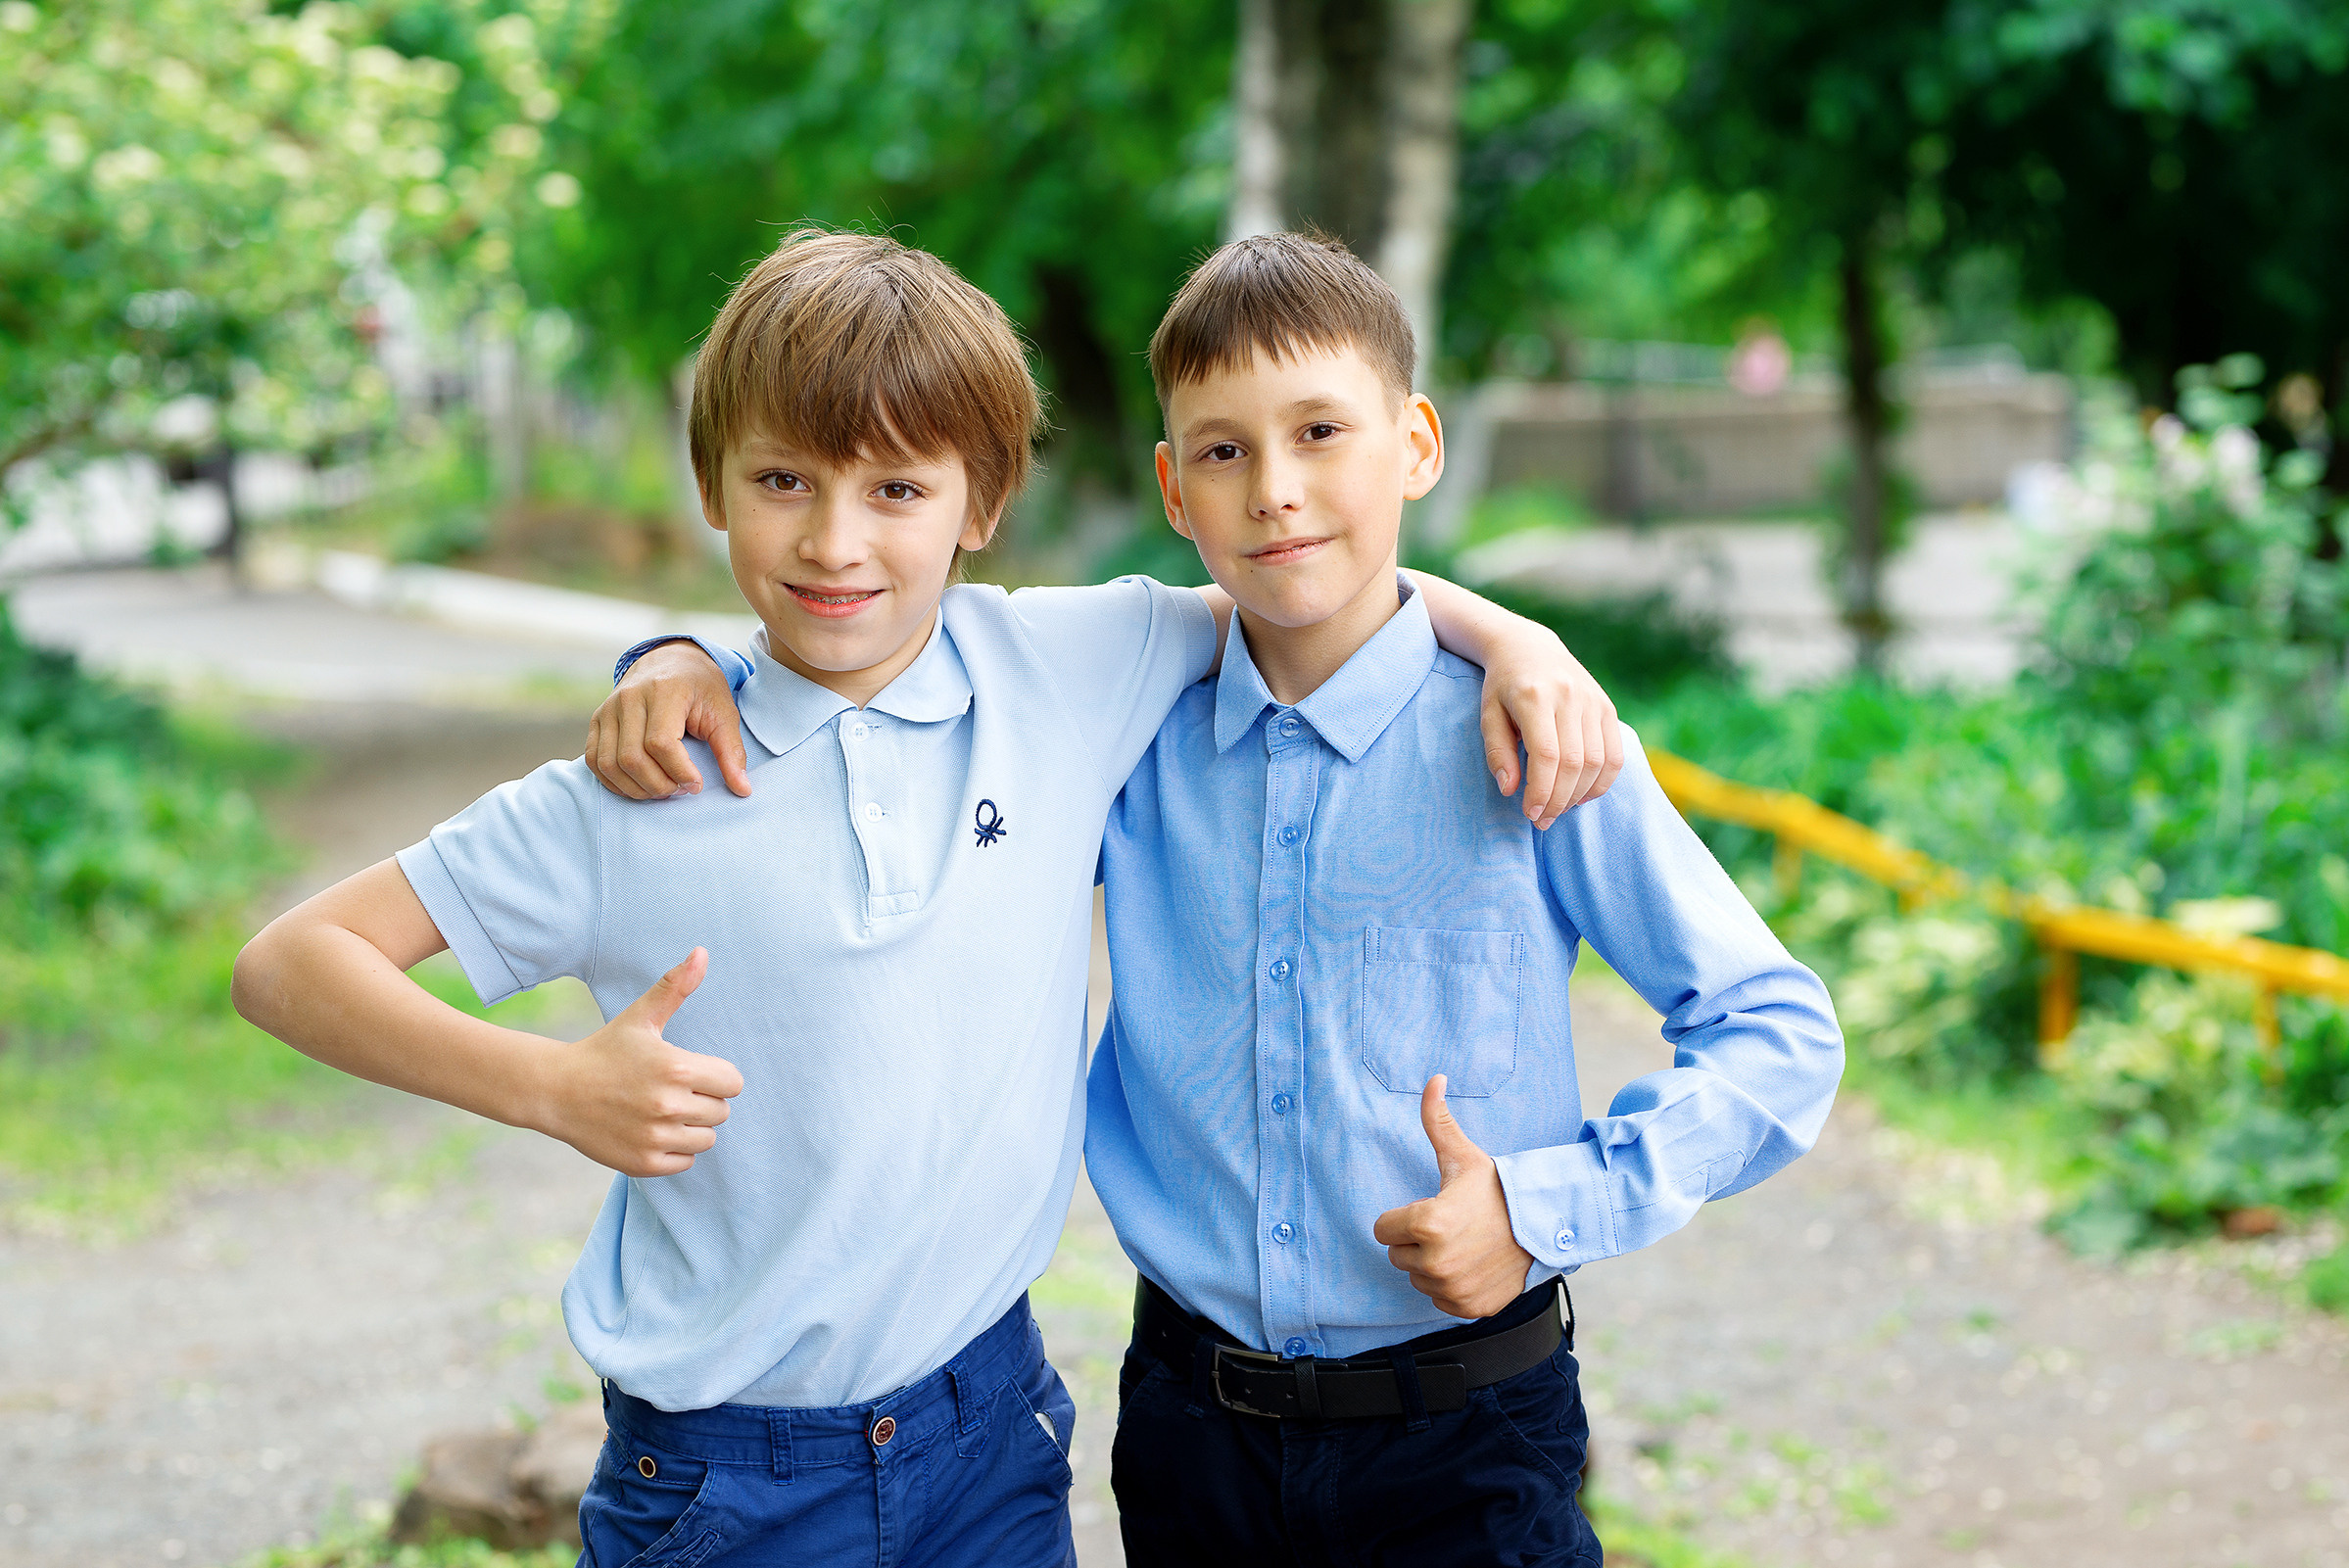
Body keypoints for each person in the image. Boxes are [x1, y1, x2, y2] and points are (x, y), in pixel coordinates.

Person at [233, 227, 1621, 1568]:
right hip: (721, 1474)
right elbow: (293, 963)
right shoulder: (636, 786)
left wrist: (1513, 634)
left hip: (987, 1445)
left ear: (980, 504)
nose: (835, 542)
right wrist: (547, 1084)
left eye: (895, 489)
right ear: (712, 485)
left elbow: (1312, 585)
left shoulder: (1069, 663)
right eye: (783, 481)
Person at [609, 232, 1845, 1567]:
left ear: (1414, 445)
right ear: (1173, 488)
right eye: (1222, 450)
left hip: (1467, 1431)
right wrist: (675, 653)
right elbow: (873, 682)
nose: (1276, 491)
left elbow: (1776, 1031)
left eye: (1321, 431)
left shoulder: (1533, 740)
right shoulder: (1117, 734)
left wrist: (1546, 1209)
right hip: (1192, 1434)